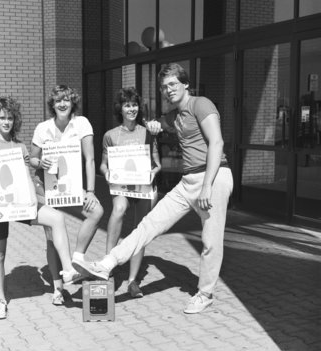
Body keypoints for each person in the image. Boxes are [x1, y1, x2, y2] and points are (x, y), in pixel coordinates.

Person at [72, 63, 234, 314]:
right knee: (149, 223)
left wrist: (206, 187)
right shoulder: (174, 115)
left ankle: (205, 293)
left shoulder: (201, 104)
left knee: (210, 240)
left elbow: (217, 142)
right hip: (188, 180)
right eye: (164, 87)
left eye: (172, 84)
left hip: (214, 178)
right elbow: (156, 124)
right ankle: (107, 263)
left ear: (185, 84)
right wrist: (155, 125)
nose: (168, 90)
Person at [0, 96, 80, 319]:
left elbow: (26, 177)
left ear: (15, 120)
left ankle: (68, 269)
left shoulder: (19, 146)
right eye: (2, 117)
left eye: (10, 118)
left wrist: (33, 200)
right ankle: (1, 300)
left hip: (21, 203)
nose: (6, 122)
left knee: (56, 219)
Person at [30, 85, 104, 302]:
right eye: (58, 100)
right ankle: (57, 288)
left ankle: (77, 259)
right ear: (52, 105)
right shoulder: (43, 128)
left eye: (66, 100)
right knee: (51, 236)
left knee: (97, 211)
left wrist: (90, 191)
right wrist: (40, 162)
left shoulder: (81, 123)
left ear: (73, 103)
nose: (62, 104)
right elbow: (32, 159)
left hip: (71, 185)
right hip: (46, 185)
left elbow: (89, 159)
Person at [100, 87, 161, 298]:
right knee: (118, 209)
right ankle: (107, 267)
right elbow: (103, 164)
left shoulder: (147, 133)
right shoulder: (111, 135)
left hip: (143, 187)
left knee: (139, 228)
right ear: (121, 108)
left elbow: (157, 164)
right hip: (121, 187)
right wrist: (107, 172)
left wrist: (154, 172)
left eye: (134, 104)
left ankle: (133, 280)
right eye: (127, 105)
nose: (131, 109)